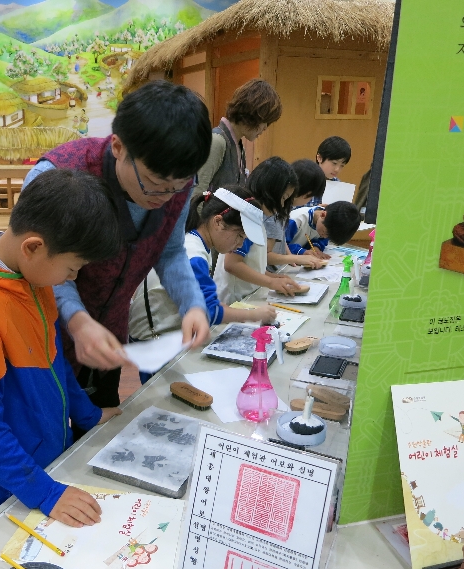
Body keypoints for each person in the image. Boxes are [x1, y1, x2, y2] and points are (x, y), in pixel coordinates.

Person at [22, 80, 212, 418]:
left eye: (178, 187)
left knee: (95, 434)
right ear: (118, 147)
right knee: (47, 437)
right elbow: (43, 267)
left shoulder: (176, 179)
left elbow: (169, 251)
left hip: (109, 339)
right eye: (154, 184)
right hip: (41, 344)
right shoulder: (59, 177)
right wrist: (78, 322)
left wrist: (192, 304)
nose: (166, 198)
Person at [0, 169, 123, 523]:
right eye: (72, 269)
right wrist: (44, 491)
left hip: (50, 466)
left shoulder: (32, 281)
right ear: (34, 247)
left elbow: (55, 364)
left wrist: (88, 415)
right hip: (7, 491)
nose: (72, 279)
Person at [129, 186, 277, 383]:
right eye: (239, 236)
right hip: (155, 340)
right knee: (163, 395)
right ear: (218, 222)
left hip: (165, 331)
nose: (240, 245)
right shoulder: (194, 256)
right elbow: (209, 313)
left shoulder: (193, 242)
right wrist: (255, 314)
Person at [214, 157, 322, 305]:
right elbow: (232, 264)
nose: (283, 205)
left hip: (246, 295)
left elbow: (251, 264)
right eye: (283, 198)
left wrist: (272, 277)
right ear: (269, 191)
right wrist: (270, 283)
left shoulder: (258, 218)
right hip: (233, 299)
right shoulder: (245, 221)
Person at [193, 79, 282, 197]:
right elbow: (196, 195)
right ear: (252, 113)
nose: (265, 128)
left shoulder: (238, 145)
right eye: (265, 121)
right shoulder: (217, 142)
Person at [288, 201, 361, 259]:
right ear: (323, 215)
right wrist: (301, 252)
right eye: (325, 233)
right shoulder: (296, 220)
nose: (325, 237)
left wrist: (315, 247)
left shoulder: (327, 224)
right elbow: (279, 247)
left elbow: (322, 240)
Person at [307, 136, 352, 207]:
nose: (337, 169)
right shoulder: (304, 179)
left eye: (342, 166)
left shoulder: (338, 186)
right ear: (319, 158)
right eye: (334, 163)